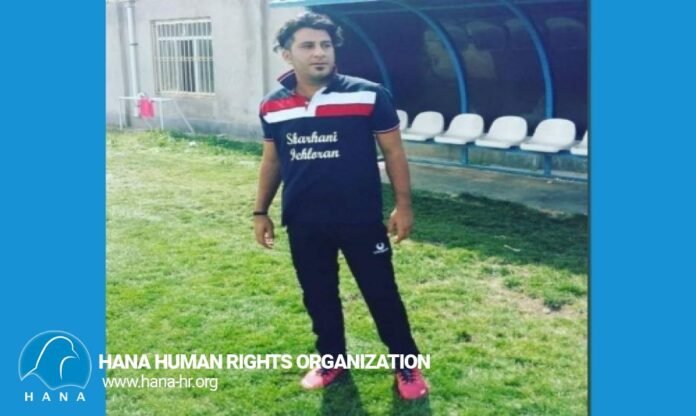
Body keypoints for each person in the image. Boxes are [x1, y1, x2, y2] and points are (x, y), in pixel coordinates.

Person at [253, 12, 428, 401]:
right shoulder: (272, 105)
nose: (319, 53)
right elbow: (272, 159)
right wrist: (260, 211)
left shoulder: (368, 94)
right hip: (304, 220)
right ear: (287, 55)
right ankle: (331, 361)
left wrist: (403, 206)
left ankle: (406, 365)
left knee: (381, 294)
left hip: (360, 218)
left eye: (326, 45)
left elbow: (394, 152)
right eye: (308, 46)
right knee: (318, 295)